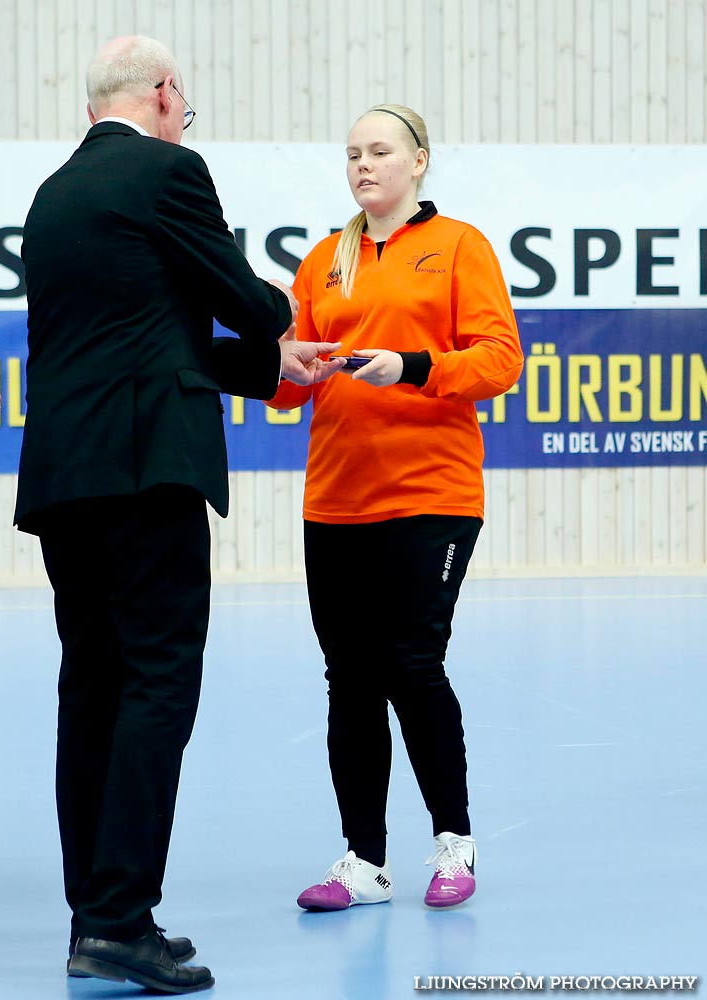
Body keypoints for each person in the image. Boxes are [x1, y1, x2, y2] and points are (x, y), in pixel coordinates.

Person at [15, 35, 343, 994]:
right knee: (159, 684)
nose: (182, 119)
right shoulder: (168, 169)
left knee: (93, 689)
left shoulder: (53, 194)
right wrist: (280, 321)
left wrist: (264, 368)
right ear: (164, 95)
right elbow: (232, 295)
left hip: (65, 476)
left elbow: (146, 327)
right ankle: (121, 920)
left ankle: (96, 915)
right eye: (183, 106)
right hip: (144, 470)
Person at [267, 104, 523, 913]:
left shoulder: (459, 248)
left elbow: (498, 359)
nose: (363, 165)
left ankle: (454, 843)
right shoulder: (322, 261)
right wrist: (286, 365)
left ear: (419, 162)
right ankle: (363, 861)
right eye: (352, 154)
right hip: (335, 499)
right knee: (348, 679)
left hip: (430, 495)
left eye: (379, 152)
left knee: (411, 664)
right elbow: (287, 388)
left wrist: (410, 366)